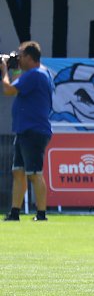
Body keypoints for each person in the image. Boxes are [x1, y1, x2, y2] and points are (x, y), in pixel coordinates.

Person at [2, 41, 54, 222]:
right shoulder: (41, 72)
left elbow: (9, 89)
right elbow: (18, 84)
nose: (19, 58)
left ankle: (41, 214)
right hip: (26, 129)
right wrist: (15, 67)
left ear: (30, 58)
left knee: (34, 173)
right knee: (19, 171)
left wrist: (4, 70)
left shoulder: (34, 74)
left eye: (21, 55)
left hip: (33, 129)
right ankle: (15, 212)